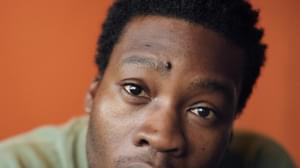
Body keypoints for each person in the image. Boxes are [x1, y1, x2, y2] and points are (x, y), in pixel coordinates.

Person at [0, 0, 296, 167]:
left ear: (228, 134)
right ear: (93, 94)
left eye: (203, 111)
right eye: (135, 90)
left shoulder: (262, 162)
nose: (164, 137)